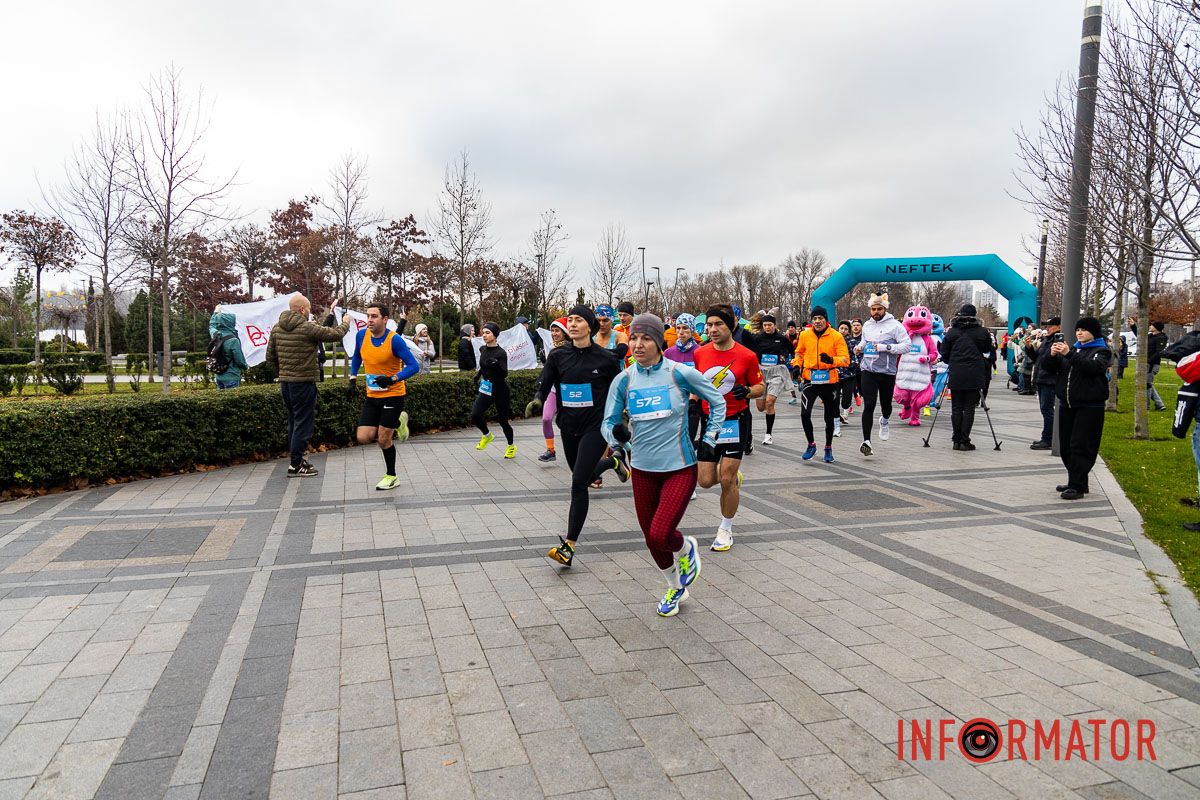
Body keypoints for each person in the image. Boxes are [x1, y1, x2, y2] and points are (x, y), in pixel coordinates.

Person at [603, 313, 726, 616]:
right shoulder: (624, 379)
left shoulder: (679, 373)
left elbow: (718, 400)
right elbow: (608, 421)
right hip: (643, 469)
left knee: (661, 533)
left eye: (646, 338)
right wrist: (618, 439)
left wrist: (710, 437)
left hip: (679, 467)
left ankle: (686, 549)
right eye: (633, 338)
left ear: (659, 342)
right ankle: (675, 587)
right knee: (651, 538)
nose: (638, 344)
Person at [527, 305, 628, 567]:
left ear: (590, 326)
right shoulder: (558, 356)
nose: (572, 324)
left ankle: (568, 546)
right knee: (582, 476)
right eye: (569, 320)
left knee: (578, 482)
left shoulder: (604, 359)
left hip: (596, 427)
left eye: (578, 320)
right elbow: (545, 382)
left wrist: (621, 419)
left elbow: (620, 391)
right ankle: (613, 462)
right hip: (568, 426)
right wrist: (538, 399)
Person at [694, 304, 764, 551]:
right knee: (705, 481)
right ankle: (732, 476)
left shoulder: (747, 355)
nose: (712, 329)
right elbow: (696, 384)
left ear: (731, 326)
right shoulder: (700, 353)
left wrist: (747, 391)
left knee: (725, 479)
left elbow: (760, 387)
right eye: (709, 324)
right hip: (709, 420)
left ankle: (725, 529)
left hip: (735, 419)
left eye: (718, 324)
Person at [265, 295, 351, 476]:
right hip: (303, 383)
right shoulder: (306, 327)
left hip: (286, 384)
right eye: (309, 308)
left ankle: (296, 460)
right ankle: (296, 465)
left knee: (293, 422)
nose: (310, 311)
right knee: (303, 424)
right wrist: (345, 323)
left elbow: (270, 357)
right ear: (302, 309)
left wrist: (283, 373)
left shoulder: (277, 328)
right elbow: (333, 334)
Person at [349, 305, 421, 490]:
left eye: (374, 316)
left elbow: (414, 366)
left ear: (385, 319)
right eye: (368, 316)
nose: (370, 320)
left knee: (383, 439)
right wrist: (352, 377)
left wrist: (392, 379)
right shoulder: (361, 335)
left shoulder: (394, 340)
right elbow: (357, 356)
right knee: (363, 437)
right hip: (372, 395)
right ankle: (398, 423)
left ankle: (392, 476)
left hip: (393, 394)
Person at [1040, 316, 1113, 499]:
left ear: (1093, 332)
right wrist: (1052, 355)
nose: (1079, 333)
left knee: (1081, 446)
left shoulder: (1102, 351)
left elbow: (1093, 368)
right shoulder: (1074, 349)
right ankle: (1077, 479)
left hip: (1089, 406)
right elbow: (1049, 368)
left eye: (1084, 330)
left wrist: (1069, 354)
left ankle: (1077, 485)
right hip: (1067, 404)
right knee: (1066, 446)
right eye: (1077, 330)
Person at [853, 293, 910, 456]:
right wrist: (859, 347)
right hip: (868, 370)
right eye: (873, 309)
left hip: (887, 372)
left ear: (885, 308)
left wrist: (887, 348)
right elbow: (864, 342)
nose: (875, 312)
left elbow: (907, 346)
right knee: (869, 404)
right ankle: (866, 441)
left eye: (879, 309)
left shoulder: (895, 326)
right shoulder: (867, 326)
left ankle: (884, 421)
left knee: (886, 405)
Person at [792, 306, 850, 462]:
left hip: (829, 381)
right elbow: (799, 352)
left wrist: (832, 360)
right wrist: (796, 366)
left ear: (826, 320)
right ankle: (811, 444)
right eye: (815, 319)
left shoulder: (836, 336)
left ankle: (828, 448)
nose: (817, 321)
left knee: (828, 418)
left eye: (820, 318)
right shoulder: (804, 335)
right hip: (810, 380)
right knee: (804, 414)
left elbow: (845, 360)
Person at [938, 303, 993, 451]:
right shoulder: (983, 332)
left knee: (956, 407)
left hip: (956, 373)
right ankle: (964, 440)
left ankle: (956, 440)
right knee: (969, 408)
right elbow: (988, 350)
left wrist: (953, 361)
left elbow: (944, 354)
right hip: (974, 374)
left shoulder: (951, 332)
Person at [472, 323, 517, 458]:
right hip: (486, 388)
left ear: (495, 335)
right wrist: (478, 375)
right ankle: (487, 435)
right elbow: (484, 366)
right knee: (475, 415)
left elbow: (504, 373)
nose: (484, 335)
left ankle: (511, 446)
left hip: (500, 390)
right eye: (483, 333)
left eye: (487, 333)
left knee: (503, 421)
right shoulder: (482, 349)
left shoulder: (501, 353)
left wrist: (497, 365)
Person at [749, 314, 794, 445]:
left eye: (770, 325)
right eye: (765, 325)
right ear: (762, 326)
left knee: (769, 402)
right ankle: (768, 410)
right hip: (761, 372)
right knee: (760, 407)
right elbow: (750, 352)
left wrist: (785, 356)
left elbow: (791, 350)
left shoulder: (781, 338)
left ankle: (768, 434)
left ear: (775, 325)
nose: (767, 327)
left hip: (776, 371)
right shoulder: (757, 338)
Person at [537, 317, 570, 462]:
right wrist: (545, 361)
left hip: (568, 390)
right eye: (552, 330)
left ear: (564, 332)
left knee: (569, 424)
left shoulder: (572, 347)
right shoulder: (550, 346)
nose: (554, 333)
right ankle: (550, 451)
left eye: (557, 330)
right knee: (546, 418)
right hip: (552, 390)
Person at [1029, 318, 1061, 450]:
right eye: (1046, 326)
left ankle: (1048, 439)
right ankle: (1047, 437)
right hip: (1042, 378)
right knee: (1045, 409)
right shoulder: (1047, 340)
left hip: (1050, 380)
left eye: (1050, 326)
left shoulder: (1057, 341)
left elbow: (1054, 361)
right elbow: (1037, 358)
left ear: (1059, 326)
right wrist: (1029, 348)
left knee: (1047, 410)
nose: (1047, 328)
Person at [208, 311, 248, 389]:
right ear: (230, 323)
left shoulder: (215, 335)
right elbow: (239, 360)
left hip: (219, 375)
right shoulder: (233, 340)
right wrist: (246, 367)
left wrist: (215, 313)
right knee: (233, 400)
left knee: (221, 400)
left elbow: (211, 325)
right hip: (232, 375)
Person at [836, 321, 861, 433]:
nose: (843, 331)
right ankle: (837, 417)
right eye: (841, 328)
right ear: (838, 329)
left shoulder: (852, 342)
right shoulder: (833, 341)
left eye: (846, 329)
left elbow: (857, 355)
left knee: (846, 399)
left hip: (849, 374)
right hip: (836, 374)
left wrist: (855, 364)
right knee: (834, 398)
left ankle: (845, 412)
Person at [1147, 321, 1169, 411]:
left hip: (1152, 364)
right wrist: (1133, 326)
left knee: (1147, 385)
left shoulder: (1161, 338)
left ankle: (1145, 406)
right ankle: (1160, 404)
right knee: (1148, 384)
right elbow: (1139, 336)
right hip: (1147, 363)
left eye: (1152, 325)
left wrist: (1148, 361)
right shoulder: (1150, 336)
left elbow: (1159, 352)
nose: (1150, 326)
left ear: (1156, 328)